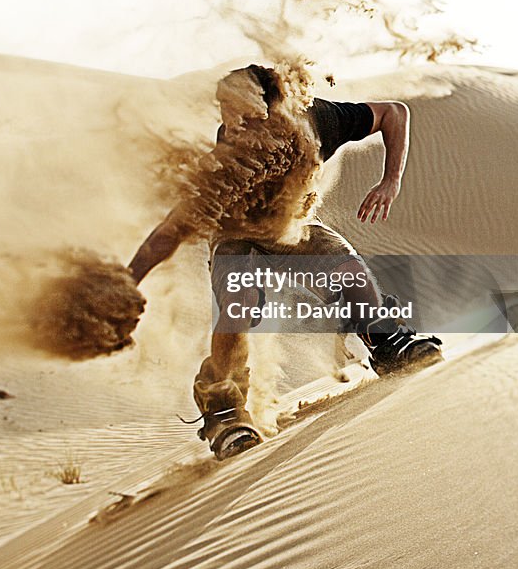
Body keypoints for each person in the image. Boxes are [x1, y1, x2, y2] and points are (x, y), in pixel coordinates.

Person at [127, 64, 442, 459]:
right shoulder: (222, 167)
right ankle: (224, 406)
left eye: (241, 108)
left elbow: (394, 113)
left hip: (291, 225)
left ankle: (386, 341)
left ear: (274, 107)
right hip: (235, 235)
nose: (231, 119)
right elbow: (168, 233)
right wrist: (128, 279)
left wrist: (390, 180)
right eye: (224, 107)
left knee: (348, 270)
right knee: (238, 302)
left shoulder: (317, 120)